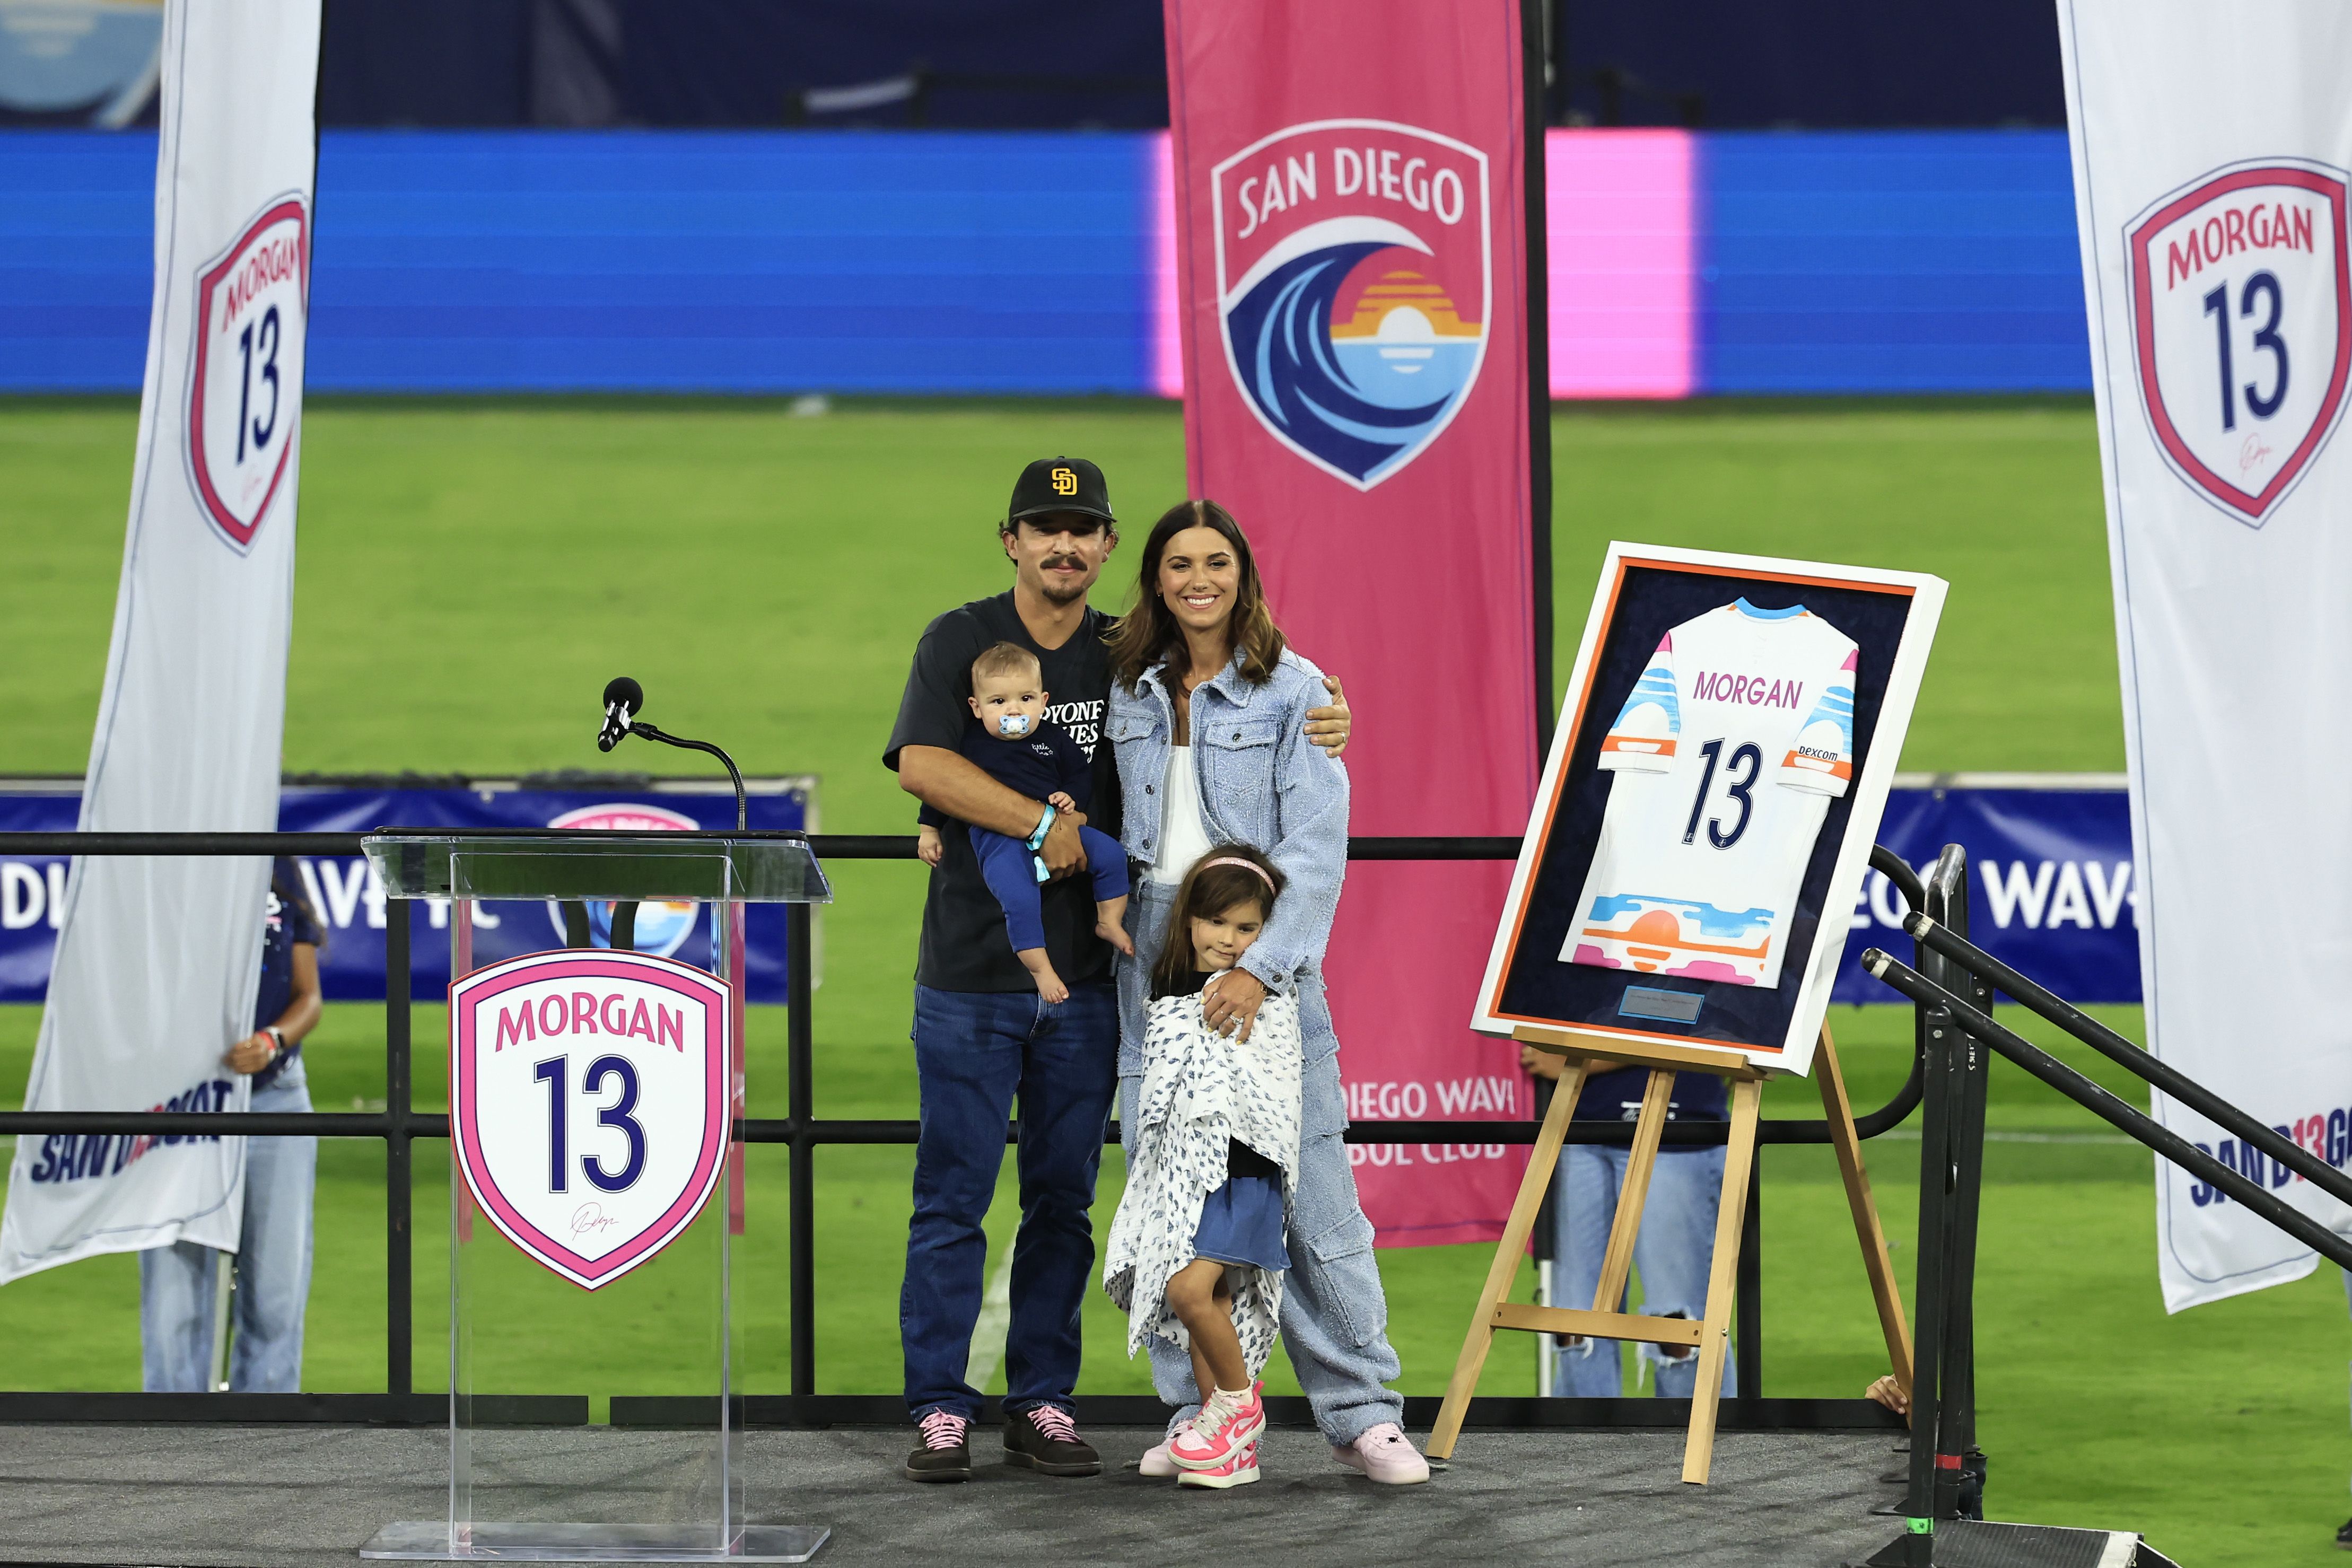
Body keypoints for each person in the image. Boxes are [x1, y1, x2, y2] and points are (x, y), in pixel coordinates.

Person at [885, 457, 1350, 1483]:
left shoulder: (1126, 654)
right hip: (969, 970)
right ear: (1009, 539)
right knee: (951, 1195)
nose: (1064, 546)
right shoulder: (958, 641)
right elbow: (923, 764)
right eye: (1043, 529)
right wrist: (1043, 818)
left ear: (1105, 548)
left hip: (1097, 981)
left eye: (1083, 529)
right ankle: (938, 1407)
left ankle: (1042, 1398)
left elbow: (1244, 679)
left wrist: (1327, 707)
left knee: (1064, 1198)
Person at [1106, 497, 1429, 1486]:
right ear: (1156, 579)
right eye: (1177, 564)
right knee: (1169, 1197)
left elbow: (1315, 856)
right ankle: (1201, 1413)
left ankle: (1365, 1414)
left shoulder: (1295, 692)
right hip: (1150, 967)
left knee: (1314, 1198)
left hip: (1264, 965)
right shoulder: (1124, 684)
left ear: (1242, 573)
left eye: (1215, 561)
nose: (1197, 579)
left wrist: (1254, 965)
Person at [1104, 846, 1301, 1491]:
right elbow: (1165, 1083)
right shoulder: (1167, 993)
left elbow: (1270, 1082)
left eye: (1247, 929)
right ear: (1190, 918)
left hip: (1243, 1171)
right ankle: (1230, 1453)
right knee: (1206, 1302)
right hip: (1186, 1175)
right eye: (1218, 922)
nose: (1230, 940)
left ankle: (1237, 1407)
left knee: (1191, 1290)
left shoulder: (1263, 994)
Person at [140, 856, 323, 1392]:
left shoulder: (279, 860)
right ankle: (170, 1448)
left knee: (276, 1292)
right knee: (174, 1298)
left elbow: (308, 995)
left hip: (276, 1095)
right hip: (179, 1098)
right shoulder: (160, 855)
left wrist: (273, 1040)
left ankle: (262, 1451)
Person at [914, 641, 1131, 1003]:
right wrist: (928, 829)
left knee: (1110, 854)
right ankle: (1040, 969)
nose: (1014, 710)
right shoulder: (969, 744)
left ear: (1043, 701)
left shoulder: (1053, 739)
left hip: (1060, 825)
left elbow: (1079, 773)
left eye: (1026, 700)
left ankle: (1109, 920)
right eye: (999, 702)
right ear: (976, 707)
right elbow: (941, 790)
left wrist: (1070, 796)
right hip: (997, 839)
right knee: (1018, 896)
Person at [1521, 1047, 1737, 1399]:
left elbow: (1681, 1013)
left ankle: (1697, 1442)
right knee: (1573, 1318)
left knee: (1677, 1321)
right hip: (1577, 1124)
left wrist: (1578, 1060)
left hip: (1676, 1128)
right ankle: (1579, 1444)